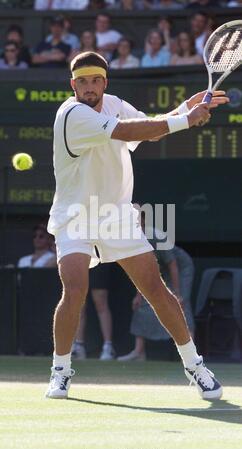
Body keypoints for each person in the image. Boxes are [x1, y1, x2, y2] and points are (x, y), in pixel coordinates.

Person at [45, 50, 228, 400]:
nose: (88, 87)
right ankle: (61, 370)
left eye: (94, 80)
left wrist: (181, 110)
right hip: (75, 215)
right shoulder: (71, 114)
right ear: (73, 85)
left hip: (116, 214)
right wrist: (186, 120)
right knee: (75, 289)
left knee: (155, 289)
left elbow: (149, 131)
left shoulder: (114, 102)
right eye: (81, 81)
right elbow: (125, 131)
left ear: (104, 82)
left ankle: (196, 366)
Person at [118, 222, 195, 361]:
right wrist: (138, 295)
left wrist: (177, 293)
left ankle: (192, 355)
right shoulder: (131, 239)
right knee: (141, 304)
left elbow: (173, 265)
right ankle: (138, 352)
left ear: (142, 221)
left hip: (180, 268)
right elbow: (141, 271)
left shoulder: (157, 237)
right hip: (159, 267)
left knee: (181, 303)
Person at [72, 263, 114, 360]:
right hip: (79, 259)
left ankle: (108, 347)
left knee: (101, 303)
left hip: (99, 261)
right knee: (79, 305)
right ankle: (78, 346)